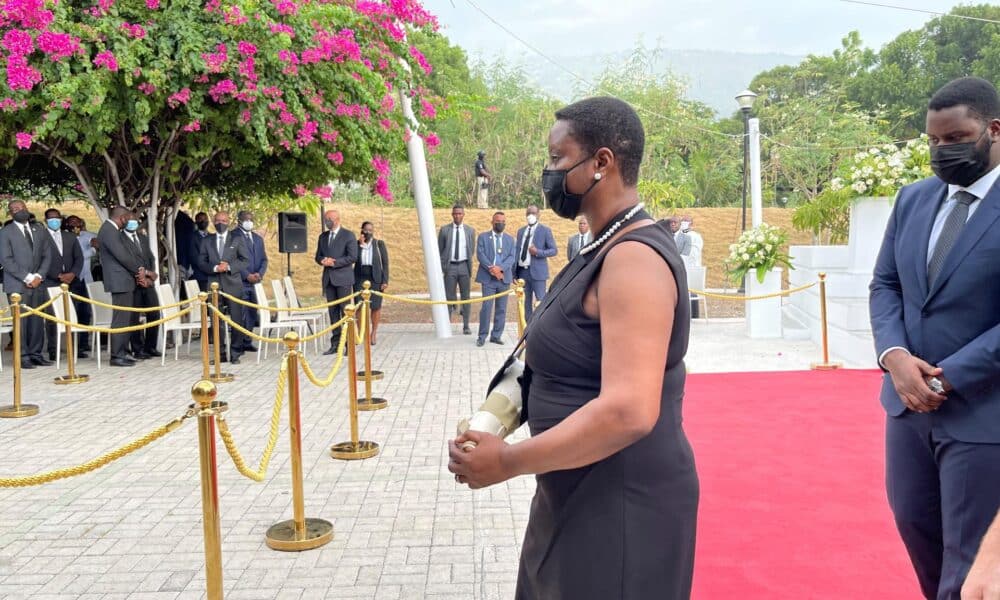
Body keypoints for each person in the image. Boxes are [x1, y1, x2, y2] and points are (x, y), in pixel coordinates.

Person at [448, 97, 698, 599]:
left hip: (621, 507)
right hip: (572, 492)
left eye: (559, 159)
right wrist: (496, 417)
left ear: (601, 163)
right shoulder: (602, 243)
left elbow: (629, 411)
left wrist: (510, 461)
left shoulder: (634, 259)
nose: (550, 172)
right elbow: (549, 358)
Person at [869, 77, 1000, 600]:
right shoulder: (913, 199)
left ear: (994, 130)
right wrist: (894, 355)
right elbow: (886, 284)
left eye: (956, 138)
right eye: (934, 141)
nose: (942, 151)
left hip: (982, 412)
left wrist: (950, 377)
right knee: (916, 528)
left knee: (969, 559)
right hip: (907, 410)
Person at [0, 199, 53, 368]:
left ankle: (36, 354)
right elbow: (6, 260)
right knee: (21, 322)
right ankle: (23, 356)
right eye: (13, 209)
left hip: (39, 282)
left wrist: (39, 276)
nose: (17, 210)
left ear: (26, 208)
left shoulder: (39, 229)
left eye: (20, 207)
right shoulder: (5, 232)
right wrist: (28, 278)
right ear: (10, 214)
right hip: (18, 284)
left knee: (37, 319)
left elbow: (47, 255)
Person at [196, 211, 250, 364]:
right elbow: (201, 262)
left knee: (237, 319)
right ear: (213, 221)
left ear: (229, 222)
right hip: (214, 285)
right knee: (215, 321)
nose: (221, 223)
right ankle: (220, 354)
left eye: (224, 221)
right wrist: (214, 268)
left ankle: (235, 353)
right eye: (218, 220)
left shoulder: (237, 239)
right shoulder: (207, 241)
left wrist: (229, 267)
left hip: (233, 285)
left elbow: (245, 260)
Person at [96, 206, 144, 367]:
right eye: (128, 219)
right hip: (119, 280)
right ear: (123, 218)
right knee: (120, 319)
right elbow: (122, 256)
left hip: (124, 280)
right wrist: (139, 271)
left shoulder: (112, 230)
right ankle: (117, 355)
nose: (130, 222)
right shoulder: (109, 230)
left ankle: (123, 351)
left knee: (125, 318)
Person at [41, 208, 85, 361]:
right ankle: (54, 350)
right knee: (53, 317)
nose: (55, 221)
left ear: (61, 219)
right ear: (45, 221)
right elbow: (39, 260)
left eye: (57, 218)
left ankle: (74, 348)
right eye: (51, 219)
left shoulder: (70, 236)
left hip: (72, 282)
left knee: (74, 314)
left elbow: (79, 258)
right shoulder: (41, 237)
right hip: (50, 281)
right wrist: (58, 275)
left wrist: (72, 274)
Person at [315, 209, 357, 354]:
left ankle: (348, 344)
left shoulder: (348, 235)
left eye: (329, 219)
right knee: (332, 312)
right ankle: (335, 343)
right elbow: (318, 256)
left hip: (343, 279)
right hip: (328, 279)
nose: (327, 222)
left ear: (337, 219)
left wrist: (335, 262)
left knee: (345, 311)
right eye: (325, 219)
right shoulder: (323, 236)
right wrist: (323, 260)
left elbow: (352, 257)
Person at [474, 211, 515, 347]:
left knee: (501, 308)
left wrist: (500, 269)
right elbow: (480, 254)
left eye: (503, 222)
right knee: (486, 307)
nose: (500, 224)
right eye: (498, 221)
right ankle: (482, 336)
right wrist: (492, 269)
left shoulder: (510, 239)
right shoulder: (483, 237)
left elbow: (511, 257)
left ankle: (496, 335)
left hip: (503, 278)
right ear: (492, 222)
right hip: (488, 278)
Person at [125, 216, 161, 359]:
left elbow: (151, 259)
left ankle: (150, 347)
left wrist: (149, 276)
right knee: (134, 318)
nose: (133, 223)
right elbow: (126, 261)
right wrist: (140, 277)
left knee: (154, 314)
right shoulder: (121, 239)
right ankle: (137, 349)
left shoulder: (142, 238)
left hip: (148, 283)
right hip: (133, 284)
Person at [515, 204, 557, 321]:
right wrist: (515, 273)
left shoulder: (545, 230)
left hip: (538, 273)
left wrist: (537, 252)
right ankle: (527, 330)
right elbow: (517, 251)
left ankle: (540, 329)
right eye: (528, 213)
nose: (530, 216)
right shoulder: (521, 231)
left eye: (533, 213)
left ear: (538, 214)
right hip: (523, 272)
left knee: (540, 302)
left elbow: (554, 250)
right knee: (525, 304)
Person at [438, 204, 476, 335]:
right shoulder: (444, 230)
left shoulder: (470, 231)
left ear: (463, 215)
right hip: (450, 267)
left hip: (464, 266)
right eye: (455, 213)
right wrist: (444, 266)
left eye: (460, 213)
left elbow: (471, 250)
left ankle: (466, 325)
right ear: (452, 214)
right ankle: (447, 324)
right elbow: (440, 249)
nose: (457, 215)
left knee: (466, 297)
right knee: (449, 297)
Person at [234, 209, 267, 353]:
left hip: (255, 282)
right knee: (240, 313)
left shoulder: (258, 238)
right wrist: (246, 275)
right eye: (246, 219)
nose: (249, 222)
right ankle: (238, 343)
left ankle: (248, 340)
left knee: (252, 312)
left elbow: (264, 259)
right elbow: (233, 258)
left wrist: (259, 274)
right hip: (241, 281)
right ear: (239, 221)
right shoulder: (233, 236)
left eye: (251, 219)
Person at [354, 221, 389, 345]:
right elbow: (353, 258)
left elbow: (385, 263)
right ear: (362, 230)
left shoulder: (379, 244)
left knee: (375, 306)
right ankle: (360, 333)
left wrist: (385, 280)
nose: (368, 232)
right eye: (366, 230)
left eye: (370, 230)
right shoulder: (356, 244)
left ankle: (373, 333)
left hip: (375, 277)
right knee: (359, 305)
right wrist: (360, 244)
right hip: (359, 277)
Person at [64, 215, 94, 354]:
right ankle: (72, 344)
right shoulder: (64, 238)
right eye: (71, 222)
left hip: (85, 279)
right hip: (71, 280)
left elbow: (94, 247)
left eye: (77, 222)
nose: (74, 224)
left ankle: (83, 343)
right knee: (72, 311)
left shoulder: (88, 236)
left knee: (86, 312)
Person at [190, 211, 211, 291]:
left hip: (214, 276)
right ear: (196, 222)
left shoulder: (212, 236)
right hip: (201, 276)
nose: (203, 221)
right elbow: (194, 257)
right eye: (200, 219)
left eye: (205, 219)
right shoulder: (192, 237)